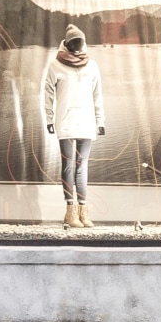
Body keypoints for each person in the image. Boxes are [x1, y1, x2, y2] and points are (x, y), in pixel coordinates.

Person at [42, 24, 104, 228]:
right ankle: (71, 210)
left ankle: (83, 210)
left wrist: (100, 120)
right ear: (66, 43)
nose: (77, 45)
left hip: (86, 120)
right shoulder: (55, 65)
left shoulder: (92, 66)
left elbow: (97, 95)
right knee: (69, 165)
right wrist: (49, 119)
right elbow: (48, 93)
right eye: (73, 41)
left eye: (80, 41)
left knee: (82, 165)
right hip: (66, 120)